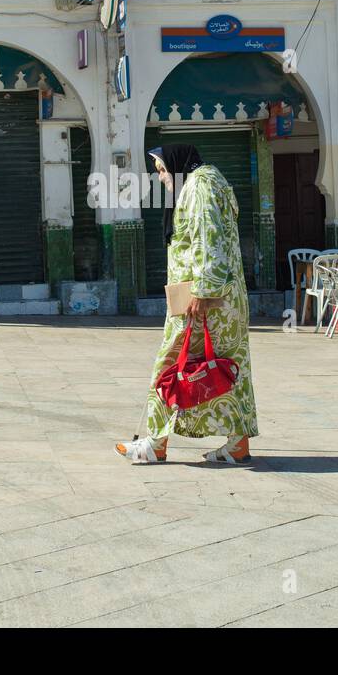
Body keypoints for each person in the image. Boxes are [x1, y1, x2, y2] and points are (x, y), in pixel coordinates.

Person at [115, 145, 258, 465]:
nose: (161, 178)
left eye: (163, 171)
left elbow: (210, 238)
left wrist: (203, 292)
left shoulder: (198, 186)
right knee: (228, 369)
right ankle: (238, 444)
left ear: (178, 166)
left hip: (202, 300)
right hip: (223, 302)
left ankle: (154, 443)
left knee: (168, 365)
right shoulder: (211, 180)